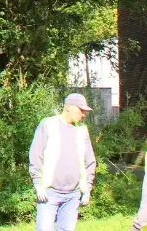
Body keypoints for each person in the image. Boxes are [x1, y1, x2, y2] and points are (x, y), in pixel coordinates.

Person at [29, 93, 98, 231]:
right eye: (81, 109)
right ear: (69, 107)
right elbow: (36, 155)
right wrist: (38, 184)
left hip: (73, 195)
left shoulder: (82, 130)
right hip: (49, 192)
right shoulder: (48, 124)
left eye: (85, 111)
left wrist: (87, 188)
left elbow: (90, 161)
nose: (84, 114)